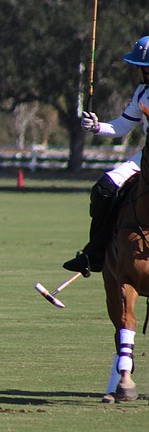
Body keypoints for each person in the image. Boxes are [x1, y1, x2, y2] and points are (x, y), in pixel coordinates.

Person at [63, 36, 149, 276]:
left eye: (144, 67)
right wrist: (96, 126)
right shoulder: (142, 92)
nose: (140, 71)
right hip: (146, 158)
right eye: (140, 67)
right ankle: (95, 254)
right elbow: (122, 126)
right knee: (103, 188)